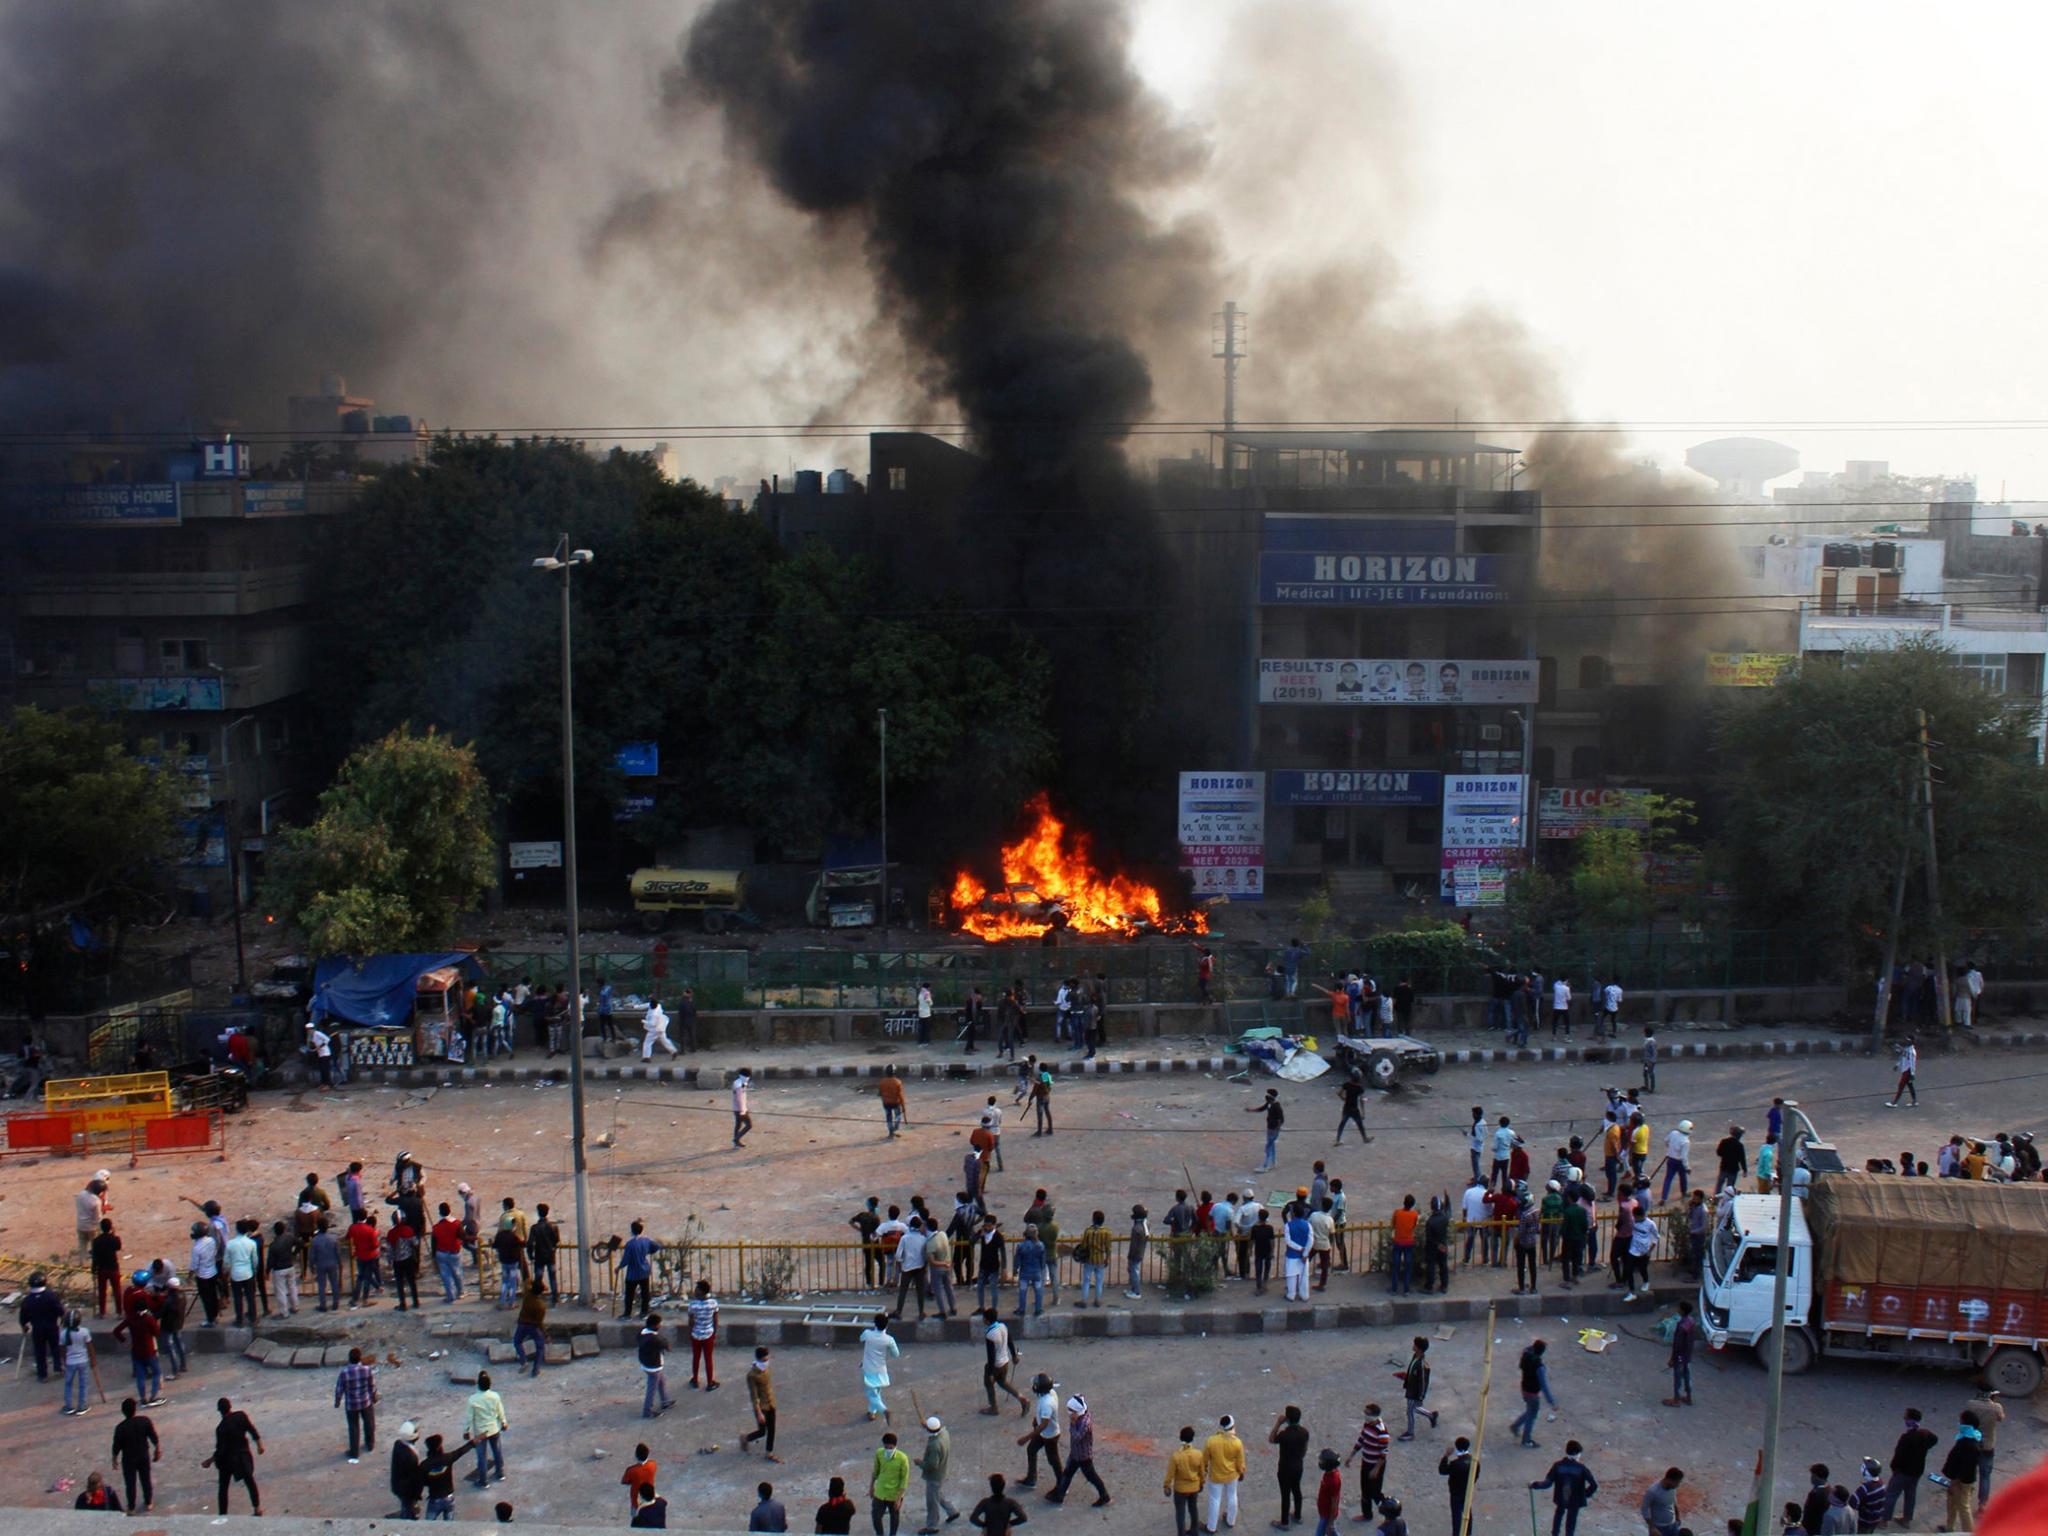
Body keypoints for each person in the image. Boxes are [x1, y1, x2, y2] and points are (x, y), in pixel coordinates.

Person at [202, 1396, 263, 1517]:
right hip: (243, 1457)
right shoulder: (241, 1416)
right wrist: (259, 1445)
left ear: (220, 1411)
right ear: (230, 1406)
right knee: (250, 1481)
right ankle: (257, 1508)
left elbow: (221, 1450)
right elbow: (252, 1430)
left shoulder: (221, 1428)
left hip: (227, 1461)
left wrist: (210, 1460)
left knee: (223, 1489)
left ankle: (223, 1515)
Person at [1529, 1442, 1598, 1536]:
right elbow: (1594, 1485)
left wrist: (1534, 1484)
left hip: (1561, 1497)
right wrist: (1585, 1495)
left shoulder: (1558, 1466)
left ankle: (1555, 1534)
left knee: (1558, 1515)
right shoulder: (1581, 1468)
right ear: (1576, 1454)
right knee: (1571, 1522)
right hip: (1575, 1500)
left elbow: (1547, 1483)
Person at [112, 1396, 160, 1513]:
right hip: (143, 1455)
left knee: (130, 1483)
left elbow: (116, 1446)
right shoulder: (144, 1421)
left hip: (129, 1459)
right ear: (135, 1409)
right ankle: (148, 1502)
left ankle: (131, 1506)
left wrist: (114, 1459)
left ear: (123, 1412)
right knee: (145, 1480)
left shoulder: (120, 1428)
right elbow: (154, 1437)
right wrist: (157, 1450)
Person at [1018, 1373, 1065, 1489]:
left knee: (1053, 1460)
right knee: (1031, 1450)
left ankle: (1062, 1484)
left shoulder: (1046, 1403)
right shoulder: (1050, 1393)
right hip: (1044, 1432)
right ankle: (1031, 1478)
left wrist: (1026, 1438)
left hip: (1049, 1435)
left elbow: (1044, 1424)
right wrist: (1037, 1419)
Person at [1940, 1412, 1984, 1533]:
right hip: (1960, 1478)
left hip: (1961, 1481)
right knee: (1952, 1504)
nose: (1959, 1423)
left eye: (1961, 1421)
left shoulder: (1970, 1444)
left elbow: (1966, 1467)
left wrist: (1954, 1482)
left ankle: (1969, 1531)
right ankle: (1950, 1528)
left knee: (1963, 1506)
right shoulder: (1971, 1437)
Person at [1202, 1414, 1247, 1534]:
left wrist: (1204, 1472)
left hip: (1216, 1476)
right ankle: (1230, 1520)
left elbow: (1204, 1460)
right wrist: (1241, 1472)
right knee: (1232, 1496)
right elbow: (1240, 1461)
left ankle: (1211, 1527)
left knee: (1215, 1500)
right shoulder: (1237, 1442)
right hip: (1232, 1475)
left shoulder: (1211, 1441)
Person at [465, 1369, 509, 1485]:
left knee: (482, 1456)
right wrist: (504, 1422)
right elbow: (500, 1411)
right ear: (490, 1384)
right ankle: (500, 1473)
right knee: (497, 1451)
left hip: (480, 1432)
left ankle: (483, 1481)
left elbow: (469, 1418)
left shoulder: (472, 1399)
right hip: (494, 1429)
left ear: (478, 1384)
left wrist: (466, 1430)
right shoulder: (495, 1396)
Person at [335, 1345, 379, 1462]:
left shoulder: (344, 1372)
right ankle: (370, 1445)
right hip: (366, 1402)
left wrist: (337, 1401)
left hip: (351, 1404)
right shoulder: (367, 1370)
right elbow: (372, 1386)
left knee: (353, 1427)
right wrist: (374, 1397)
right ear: (360, 1358)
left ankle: (354, 1452)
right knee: (369, 1423)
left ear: (349, 1359)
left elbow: (340, 1389)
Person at [1270, 1404, 1311, 1528]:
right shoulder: (1304, 1432)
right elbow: (1305, 1450)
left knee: (1285, 1494)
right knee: (1297, 1490)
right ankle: (1297, 1515)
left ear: (1287, 1419)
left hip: (1285, 1467)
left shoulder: (1284, 1434)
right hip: (1298, 1466)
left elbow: (1271, 1439)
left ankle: (1284, 1522)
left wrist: (1278, 1423)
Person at [1348, 1404, 1391, 1522]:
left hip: (1375, 1465)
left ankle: (1390, 1514)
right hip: (1366, 1462)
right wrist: (1352, 1455)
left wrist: (1376, 1469)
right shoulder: (1367, 1425)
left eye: (1367, 1413)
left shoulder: (1382, 1432)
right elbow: (1362, 1439)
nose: (1365, 1415)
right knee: (1365, 1491)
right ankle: (1367, 1515)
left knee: (1376, 1493)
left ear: (1373, 1415)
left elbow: (1384, 1452)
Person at [1509, 1340, 1555, 1449]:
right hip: (1532, 1393)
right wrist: (1552, 1402)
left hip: (1524, 1388)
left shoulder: (1526, 1356)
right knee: (1532, 1415)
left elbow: (1527, 1351)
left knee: (1530, 1411)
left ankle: (1516, 1426)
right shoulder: (1539, 1367)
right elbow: (1544, 1386)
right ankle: (1526, 1439)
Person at [1964, 1389, 2006, 1507]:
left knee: (1969, 1473)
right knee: (1985, 1476)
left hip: (1972, 1443)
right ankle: (1982, 1504)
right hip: (1987, 1445)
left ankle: (1965, 1498)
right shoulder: (1996, 1407)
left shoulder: (1970, 1404)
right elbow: (2001, 1418)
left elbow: (1963, 1418)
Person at [1164, 1425, 1206, 1536]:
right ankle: (1194, 1530)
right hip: (1194, 1487)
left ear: (1180, 1438)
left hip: (1180, 1489)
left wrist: (1166, 1485)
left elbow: (1170, 1474)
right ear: (1193, 1438)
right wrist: (1202, 1482)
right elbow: (1202, 1472)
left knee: (1180, 1514)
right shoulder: (1198, 1454)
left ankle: (1181, 1534)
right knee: (1193, 1509)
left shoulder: (1176, 1456)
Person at [871, 1431, 912, 1536]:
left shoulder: (902, 1458)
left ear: (895, 1446)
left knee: (894, 1517)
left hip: (894, 1494)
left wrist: (899, 1499)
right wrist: (871, 1486)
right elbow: (876, 1471)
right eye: (886, 1447)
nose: (888, 1450)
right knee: (876, 1516)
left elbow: (904, 1479)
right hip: (880, 1492)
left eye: (890, 1447)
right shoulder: (879, 1453)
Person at [861, 1312, 899, 1423]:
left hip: (868, 1369)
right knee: (876, 1391)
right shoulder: (889, 1339)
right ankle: (871, 1411)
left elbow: (861, 1338)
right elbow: (896, 1354)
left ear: (875, 1324)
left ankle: (884, 1410)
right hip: (881, 1369)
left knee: (871, 1393)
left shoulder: (868, 1334)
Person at [420, 1430, 468, 1520]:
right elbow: (460, 1451)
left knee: (428, 1525)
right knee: (449, 1524)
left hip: (435, 1499)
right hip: (449, 1498)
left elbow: (422, 1482)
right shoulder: (447, 1458)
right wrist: (473, 1442)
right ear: (439, 1447)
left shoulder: (425, 1464)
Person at [57, 1306, 96, 1416]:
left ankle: (69, 1406)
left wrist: (64, 1361)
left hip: (70, 1362)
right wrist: (93, 1360)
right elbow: (90, 1347)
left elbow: (62, 1350)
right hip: (83, 1361)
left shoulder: (63, 1334)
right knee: (83, 1384)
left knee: (68, 1384)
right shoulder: (84, 1332)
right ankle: (82, 1406)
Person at [1400, 1338, 1440, 1440]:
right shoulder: (1415, 1357)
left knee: (1410, 1411)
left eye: (1415, 1345)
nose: (1413, 1346)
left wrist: (1420, 1397)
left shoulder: (1421, 1365)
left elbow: (1422, 1382)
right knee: (1412, 1409)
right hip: (1411, 1390)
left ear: (1419, 1349)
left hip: (1414, 1393)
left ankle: (1410, 1433)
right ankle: (1431, 1416)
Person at [638, 1311, 674, 1418]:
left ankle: (665, 1401)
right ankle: (647, 1411)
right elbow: (667, 1346)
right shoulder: (655, 1339)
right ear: (654, 1325)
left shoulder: (641, 1334)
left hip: (646, 1362)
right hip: (654, 1366)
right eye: (659, 1324)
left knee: (662, 1382)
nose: (660, 1326)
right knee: (652, 1388)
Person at [688, 1279, 721, 1389]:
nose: (695, 1291)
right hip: (708, 1334)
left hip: (696, 1335)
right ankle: (710, 1382)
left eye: (697, 1289)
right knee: (708, 1359)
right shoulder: (713, 1303)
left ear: (701, 1292)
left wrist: (691, 1332)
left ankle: (695, 1380)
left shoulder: (692, 1305)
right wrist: (714, 1332)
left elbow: (691, 1322)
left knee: (696, 1358)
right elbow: (715, 1320)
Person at [620, 1220, 656, 1319]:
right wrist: (648, 1251)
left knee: (629, 1295)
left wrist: (619, 1267)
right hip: (644, 1271)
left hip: (633, 1273)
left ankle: (627, 1314)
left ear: (632, 1230)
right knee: (645, 1293)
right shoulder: (646, 1241)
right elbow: (656, 1246)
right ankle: (644, 1312)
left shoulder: (630, 1244)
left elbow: (626, 1259)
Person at [1664, 1300, 1697, 1406]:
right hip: (1688, 1354)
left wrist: (1672, 1358)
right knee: (1687, 1375)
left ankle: (1676, 1399)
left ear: (1682, 1311)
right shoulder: (1691, 1321)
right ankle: (1688, 1396)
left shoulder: (1681, 1326)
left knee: (1678, 1377)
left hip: (1680, 1356)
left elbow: (1677, 1345)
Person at [1440, 1439, 1475, 1536]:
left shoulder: (1455, 1464)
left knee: (1456, 1515)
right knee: (1468, 1512)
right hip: (1467, 1491)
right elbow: (1475, 1476)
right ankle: (1468, 1533)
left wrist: (1445, 1456)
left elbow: (1442, 1470)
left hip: (1456, 1492)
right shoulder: (1474, 1461)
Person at [392, 1421, 426, 1521]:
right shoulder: (411, 1457)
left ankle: (405, 1513)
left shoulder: (398, 1444)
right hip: (407, 1490)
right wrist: (417, 1494)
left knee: (405, 1504)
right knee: (409, 1507)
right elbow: (414, 1478)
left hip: (399, 1485)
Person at [513, 1279, 547, 1375]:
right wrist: (545, 1334)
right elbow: (539, 1323)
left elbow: (526, 1281)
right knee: (540, 1347)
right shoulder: (541, 1306)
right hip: (533, 1327)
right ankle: (536, 1369)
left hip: (522, 1323)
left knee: (517, 1342)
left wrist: (534, 1281)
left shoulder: (527, 1295)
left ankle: (523, 1361)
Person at [1641, 1468, 1684, 1536]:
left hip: (1672, 1525)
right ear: (1670, 1480)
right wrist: (1652, 1528)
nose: (1678, 1485)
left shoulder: (1672, 1488)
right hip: (1659, 1529)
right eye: (1677, 1482)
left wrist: (1677, 1518)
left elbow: (1673, 1501)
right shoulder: (1653, 1491)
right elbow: (1645, 1509)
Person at [1250, 1089, 1285, 1171]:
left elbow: (1281, 1119)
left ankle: (1266, 1166)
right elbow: (1262, 1108)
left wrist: (1277, 1129)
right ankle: (1272, 1162)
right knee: (1271, 1145)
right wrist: (1252, 1110)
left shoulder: (1276, 1106)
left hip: (1273, 1129)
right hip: (1270, 1128)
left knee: (1268, 1146)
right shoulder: (1270, 1104)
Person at [1336, 1072, 1373, 1147]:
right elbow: (1361, 1100)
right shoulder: (1359, 1088)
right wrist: (1363, 1113)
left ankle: (1337, 1140)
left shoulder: (1346, 1084)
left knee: (1342, 1124)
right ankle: (1365, 1138)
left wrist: (1344, 1099)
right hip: (1354, 1109)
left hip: (1346, 1107)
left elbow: (1339, 1093)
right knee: (1360, 1125)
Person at [1886, 1039, 1919, 1108]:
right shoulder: (1906, 1049)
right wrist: (1897, 1065)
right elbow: (1902, 1058)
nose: (1906, 1041)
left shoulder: (1912, 1052)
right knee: (1910, 1086)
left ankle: (1894, 1102)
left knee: (1901, 1086)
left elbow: (1912, 1063)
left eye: (1908, 1040)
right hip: (1905, 1070)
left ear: (1911, 1042)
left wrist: (1912, 1073)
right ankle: (1914, 1101)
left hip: (1908, 1071)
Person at [879, 1071, 907, 1139]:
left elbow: (880, 1093)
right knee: (898, 1116)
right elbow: (900, 1096)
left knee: (889, 1118)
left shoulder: (882, 1082)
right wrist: (903, 1106)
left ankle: (891, 1133)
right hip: (895, 1103)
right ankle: (895, 1128)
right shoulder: (897, 1082)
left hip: (886, 1103)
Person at [732, 1067, 754, 1147]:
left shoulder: (738, 1082)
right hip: (740, 1109)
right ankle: (736, 1139)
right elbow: (739, 1098)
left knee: (738, 1125)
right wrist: (743, 1110)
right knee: (749, 1125)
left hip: (736, 1108)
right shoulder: (739, 1085)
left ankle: (736, 1141)